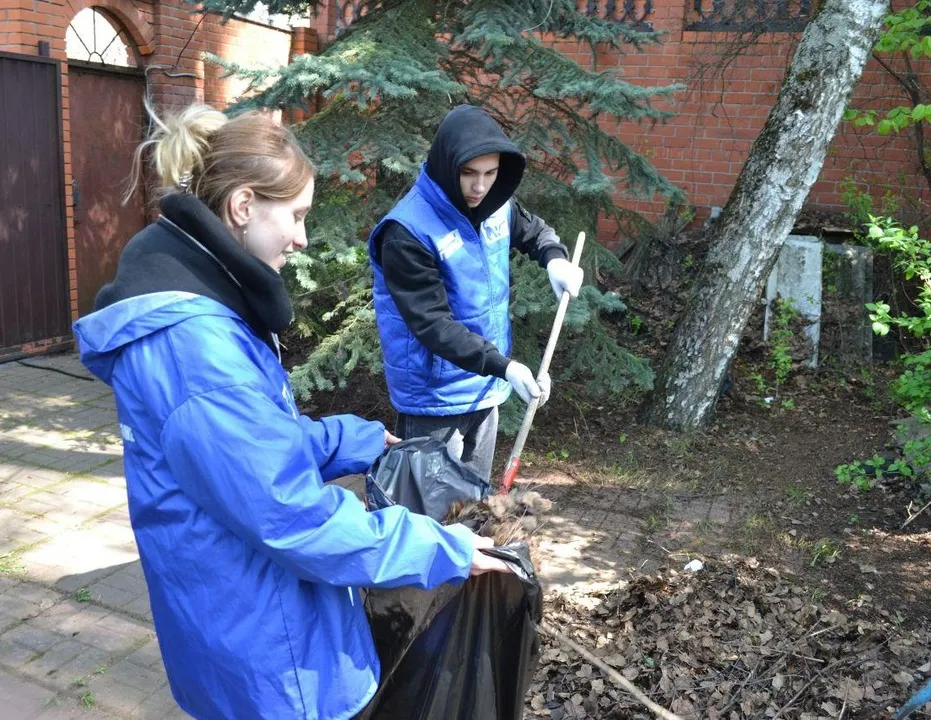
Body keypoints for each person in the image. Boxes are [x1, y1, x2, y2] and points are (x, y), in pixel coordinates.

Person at [72, 104, 508, 720]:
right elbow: (287, 515)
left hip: (244, 608)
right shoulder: (196, 348)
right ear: (244, 206)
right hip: (268, 645)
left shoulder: (203, 304)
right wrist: (438, 546)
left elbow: (249, 450)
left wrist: (344, 440)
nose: (302, 237)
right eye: (297, 215)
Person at [369, 105, 584, 483]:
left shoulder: (495, 205)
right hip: (433, 399)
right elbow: (433, 325)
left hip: (483, 389)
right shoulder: (407, 232)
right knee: (430, 516)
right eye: (468, 173)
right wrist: (505, 365)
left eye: (490, 173)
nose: (480, 187)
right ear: (446, 164)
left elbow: (533, 230)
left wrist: (554, 260)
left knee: (473, 507)